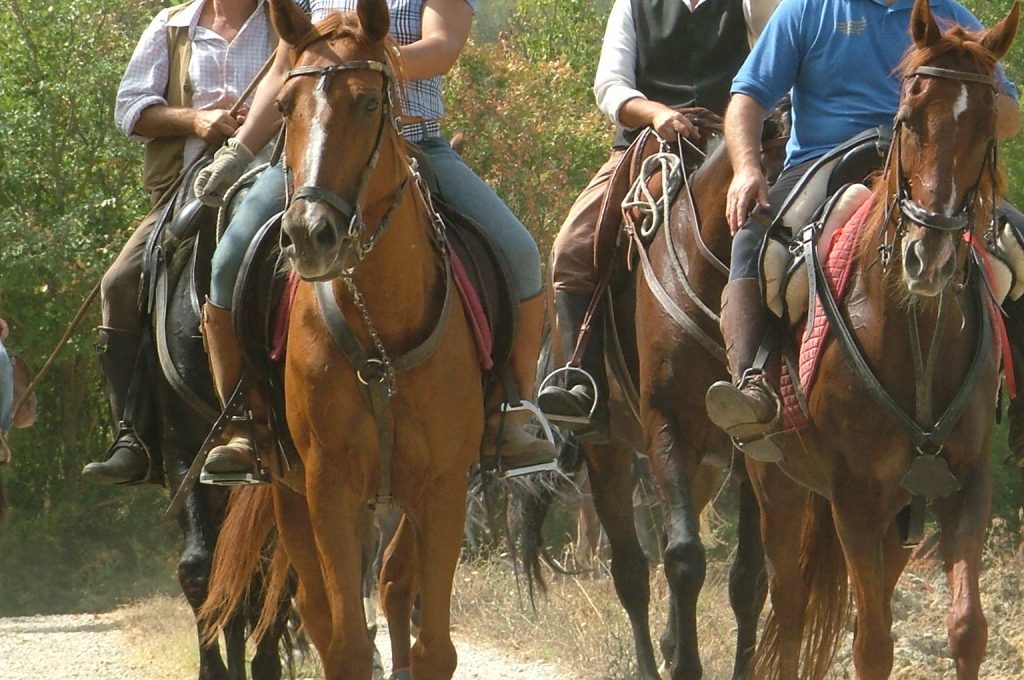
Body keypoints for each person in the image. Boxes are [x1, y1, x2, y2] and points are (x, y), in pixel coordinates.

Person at [191, 0, 557, 480]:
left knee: (521, 256)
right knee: (226, 265)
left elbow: (442, 47)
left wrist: (356, 65)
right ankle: (243, 422)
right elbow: (285, 68)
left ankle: (513, 408)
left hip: (415, 143)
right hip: (317, 157)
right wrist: (239, 154)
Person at [704, 0, 1021, 459]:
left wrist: (977, 88)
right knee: (753, 241)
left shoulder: (951, 16)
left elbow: (1008, 116)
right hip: (824, 160)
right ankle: (754, 384)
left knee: (1018, 244)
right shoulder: (807, 10)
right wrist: (747, 169)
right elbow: (746, 97)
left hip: (924, 164)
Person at [81, 0, 285, 484]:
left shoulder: (289, 18)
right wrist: (195, 121)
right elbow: (130, 109)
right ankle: (134, 436)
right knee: (119, 284)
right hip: (186, 183)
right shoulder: (172, 25)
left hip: (274, 180)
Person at [536, 0, 753, 431]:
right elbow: (610, 84)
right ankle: (582, 377)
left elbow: (771, 65)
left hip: (737, 147)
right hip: (647, 144)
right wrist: (655, 113)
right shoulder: (633, 4)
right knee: (571, 247)